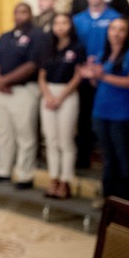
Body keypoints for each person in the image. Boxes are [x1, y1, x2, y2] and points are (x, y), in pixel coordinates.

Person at [81, 17, 129, 203]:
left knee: (124, 159)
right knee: (107, 158)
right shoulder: (102, 55)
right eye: (113, 29)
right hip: (101, 112)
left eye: (121, 29)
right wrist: (91, 73)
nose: (116, 33)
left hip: (123, 115)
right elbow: (96, 82)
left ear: (127, 33)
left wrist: (103, 76)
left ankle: (125, 201)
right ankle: (109, 197)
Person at [0, 3, 47, 189]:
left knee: (25, 135)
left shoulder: (38, 35)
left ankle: (25, 175)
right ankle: (3, 171)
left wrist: (5, 81)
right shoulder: (6, 36)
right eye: (16, 12)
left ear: (30, 14)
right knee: (5, 134)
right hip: (1, 92)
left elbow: (32, 65)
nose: (19, 16)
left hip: (23, 90)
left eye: (23, 12)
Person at [72, 0, 122, 169]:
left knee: (106, 121)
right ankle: (83, 159)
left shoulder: (114, 17)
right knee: (83, 118)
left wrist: (100, 69)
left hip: (107, 76)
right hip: (83, 76)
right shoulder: (78, 20)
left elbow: (118, 47)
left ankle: (109, 162)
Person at [38, 13, 85, 199]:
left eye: (64, 22)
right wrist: (48, 95)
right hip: (48, 93)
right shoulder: (48, 47)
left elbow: (78, 75)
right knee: (51, 141)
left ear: (70, 25)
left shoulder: (77, 47)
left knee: (65, 140)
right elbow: (41, 75)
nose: (59, 26)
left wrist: (60, 97)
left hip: (68, 94)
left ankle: (65, 182)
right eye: (56, 23)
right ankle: (53, 180)